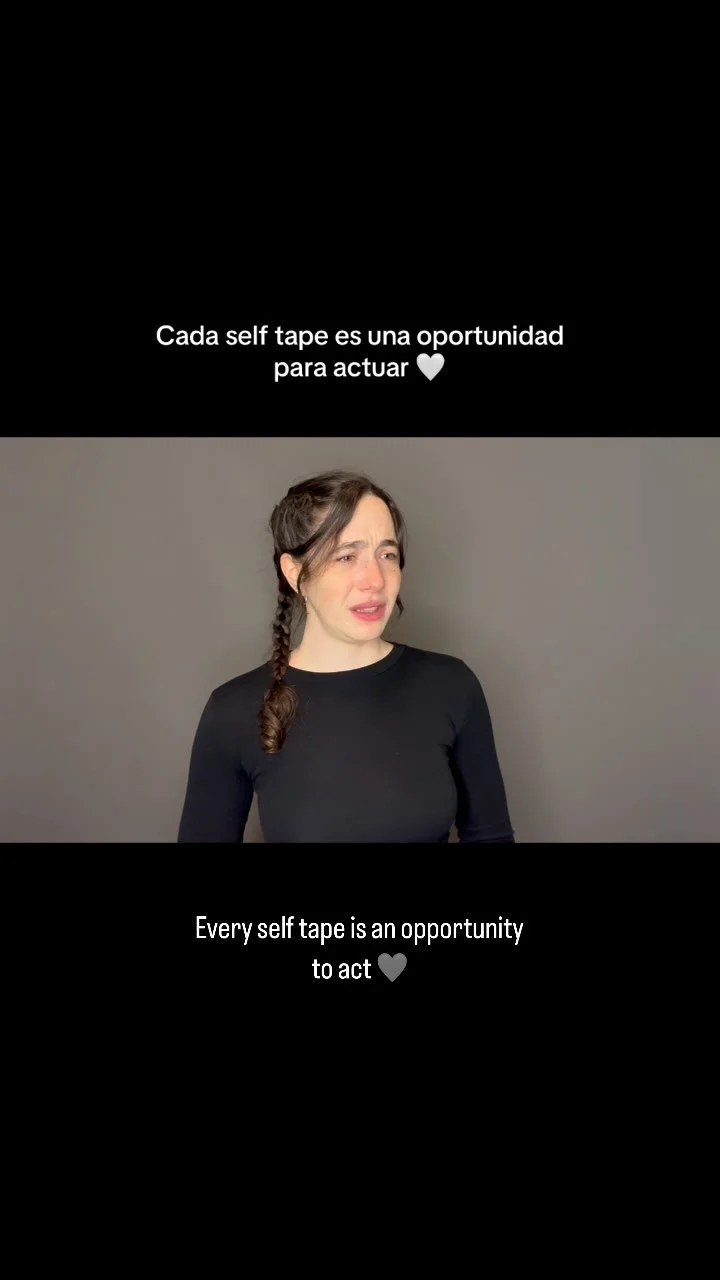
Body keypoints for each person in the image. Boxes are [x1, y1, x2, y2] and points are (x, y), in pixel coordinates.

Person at [178, 470, 515, 842]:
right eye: (346, 556)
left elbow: (490, 836)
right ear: (295, 572)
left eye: (387, 554)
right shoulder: (233, 710)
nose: (375, 580)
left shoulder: (451, 686)